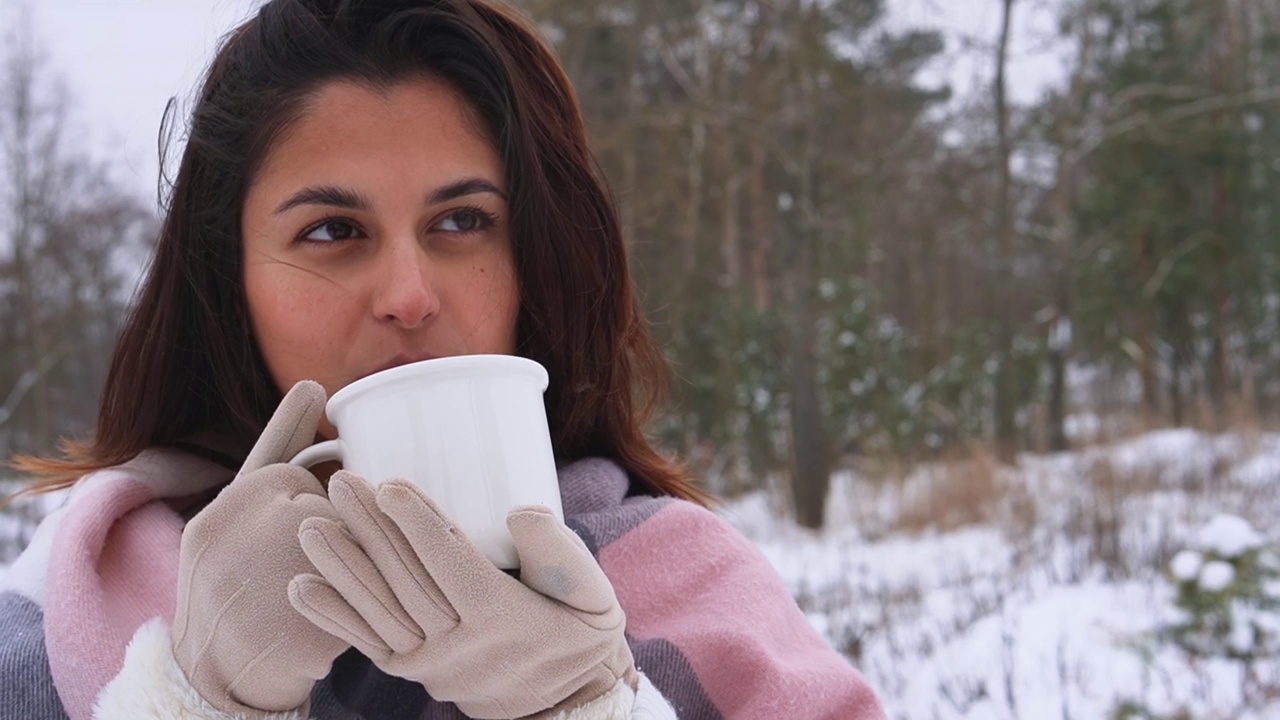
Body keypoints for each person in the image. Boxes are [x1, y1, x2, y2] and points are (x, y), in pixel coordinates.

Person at [0, 1, 887, 718]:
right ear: (225, 281)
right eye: (332, 231)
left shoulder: (691, 587)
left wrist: (584, 708)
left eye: (462, 221)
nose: (409, 293)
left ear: (537, 259)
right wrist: (191, 696)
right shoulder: (72, 590)